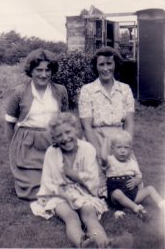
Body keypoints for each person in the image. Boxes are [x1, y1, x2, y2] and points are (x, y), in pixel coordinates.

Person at [30, 113, 133, 248]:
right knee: (70, 216)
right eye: (59, 135)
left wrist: (72, 174)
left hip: (84, 192)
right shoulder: (52, 152)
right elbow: (50, 184)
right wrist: (68, 197)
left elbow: (92, 180)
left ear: (76, 130)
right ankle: (83, 243)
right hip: (58, 194)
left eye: (68, 132)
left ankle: (105, 244)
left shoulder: (87, 148)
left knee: (90, 215)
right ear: (54, 138)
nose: (65, 138)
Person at [5, 48, 69, 200]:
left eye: (48, 70)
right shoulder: (19, 92)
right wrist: (13, 148)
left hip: (52, 143)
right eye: (39, 70)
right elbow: (9, 123)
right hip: (27, 145)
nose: (44, 74)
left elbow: (65, 119)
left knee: (60, 185)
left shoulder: (60, 90)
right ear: (31, 71)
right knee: (33, 190)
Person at [78, 46, 135, 195]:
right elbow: (86, 126)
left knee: (128, 184)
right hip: (95, 138)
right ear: (95, 66)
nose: (105, 69)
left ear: (115, 64)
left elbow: (129, 122)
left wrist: (127, 145)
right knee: (96, 185)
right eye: (101, 64)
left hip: (119, 140)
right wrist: (98, 152)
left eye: (109, 64)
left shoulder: (125, 89)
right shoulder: (87, 90)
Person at [100, 130, 165, 217]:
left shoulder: (132, 162)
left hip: (133, 195)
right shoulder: (110, 160)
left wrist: (136, 181)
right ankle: (136, 208)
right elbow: (103, 157)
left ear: (130, 149)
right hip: (117, 199)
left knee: (150, 189)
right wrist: (105, 139)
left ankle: (162, 205)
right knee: (117, 193)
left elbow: (139, 176)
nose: (123, 151)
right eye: (119, 147)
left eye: (126, 147)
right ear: (112, 148)